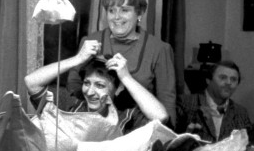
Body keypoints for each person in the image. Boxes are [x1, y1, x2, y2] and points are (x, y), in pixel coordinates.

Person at [65, 0, 177, 125]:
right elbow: (73, 84)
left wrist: (168, 136)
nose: (116, 17)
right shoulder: (90, 41)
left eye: (124, 10)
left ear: (139, 13)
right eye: (111, 10)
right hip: (94, 122)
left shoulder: (159, 49)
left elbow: (167, 104)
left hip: (138, 126)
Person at [24, 42, 169, 135]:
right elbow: (31, 82)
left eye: (100, 85)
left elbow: (161, 117)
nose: (90, 92)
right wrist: (78, 59)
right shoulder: (71, 107)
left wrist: (126, 78)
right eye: (87, 83)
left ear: (118, 89)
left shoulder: (128, 118)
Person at [175, 60, 254, 147]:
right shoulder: (186, 103)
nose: (229, 82)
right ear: (208, 80)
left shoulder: (240, 112)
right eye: (223, 77)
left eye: (233, 79)